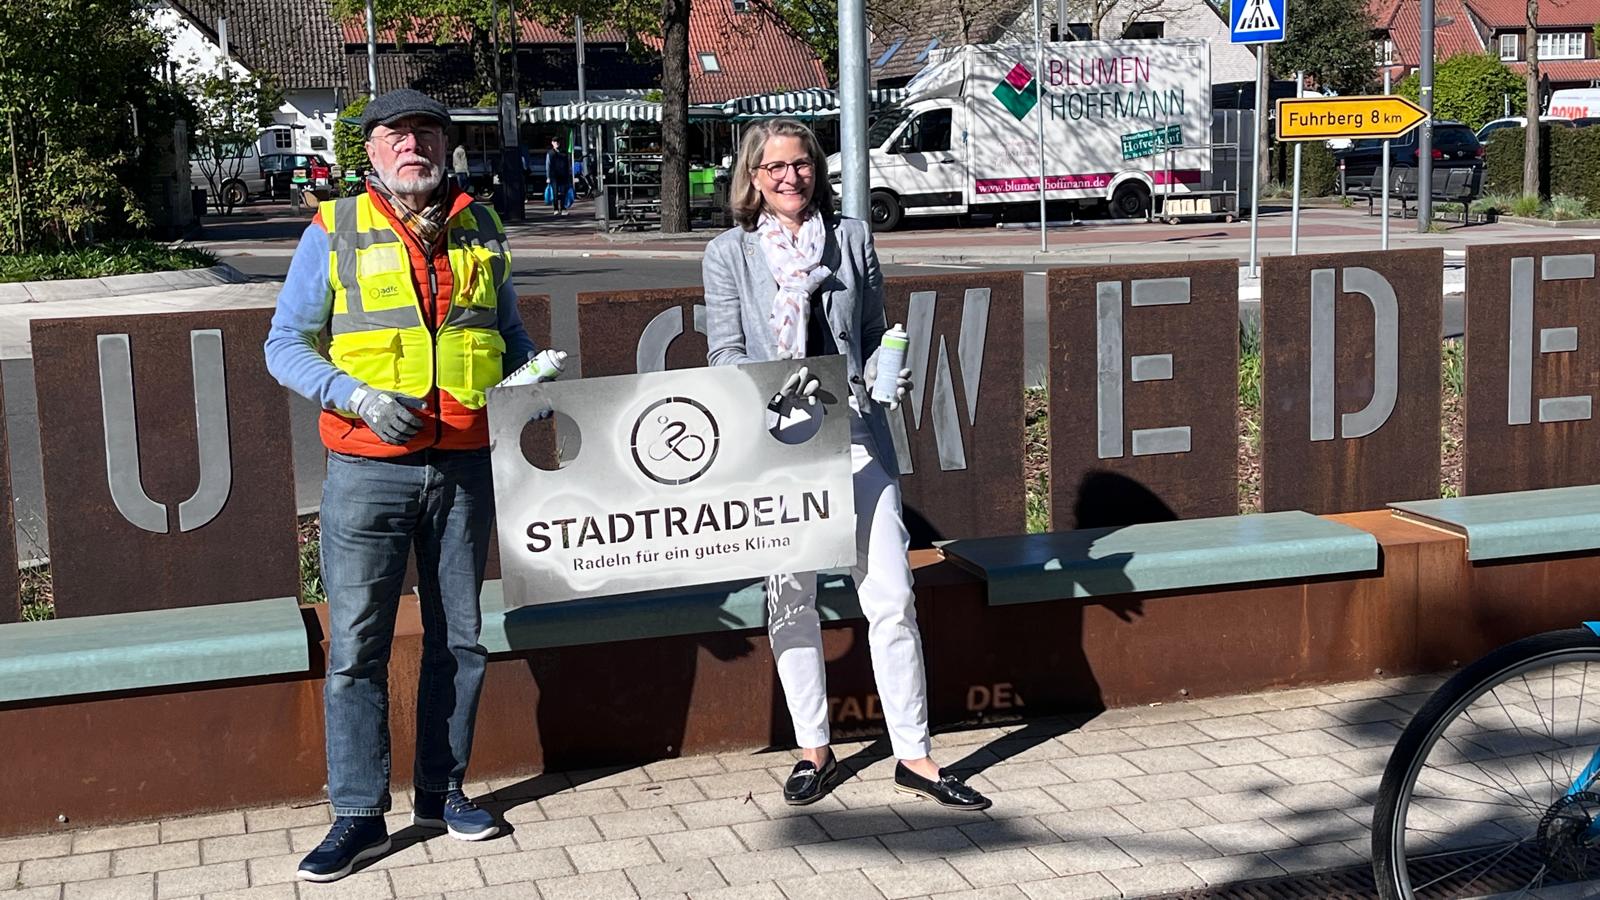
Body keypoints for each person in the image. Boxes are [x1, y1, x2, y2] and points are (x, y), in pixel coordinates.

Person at [264, 88, 536, 883]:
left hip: (466, 464)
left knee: (461, 638)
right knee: (357, 647)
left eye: (425, 132)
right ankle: (357, 815)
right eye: (395, 134)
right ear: (372, 151)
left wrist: (532, 376)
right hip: (367, 468)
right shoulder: (335, 228)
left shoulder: (481, 227)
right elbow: (285, 344)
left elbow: (506, 331)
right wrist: (355, 396)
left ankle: (444, 793)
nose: (411, 145)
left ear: (445, 146)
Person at [701, 119, 991, 812]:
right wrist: (780, 387)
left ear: (817, 168)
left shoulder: (852, 236)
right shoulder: (727, 253)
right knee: (790, 597)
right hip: (777, 442)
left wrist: (889, 368)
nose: (791, 177)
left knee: (891, 593)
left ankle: (914, 755)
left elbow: (871, 330)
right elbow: (723, 352)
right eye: (775, 167)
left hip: (857, 431)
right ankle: (814, 749)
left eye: (801, 163)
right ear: (753, 176)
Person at [545, 137, 573, 216]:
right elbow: (548, 165)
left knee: (563, 192)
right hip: (554, 176)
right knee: (555, 193)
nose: (556, 143)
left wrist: (569, 175)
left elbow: (567, 165)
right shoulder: (550, 153)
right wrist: (548, 177)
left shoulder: (564, 153)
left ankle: (563, 208)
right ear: (552, 143)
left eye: (557, 142)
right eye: (555, 141)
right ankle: (556, 209)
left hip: (563, 175)